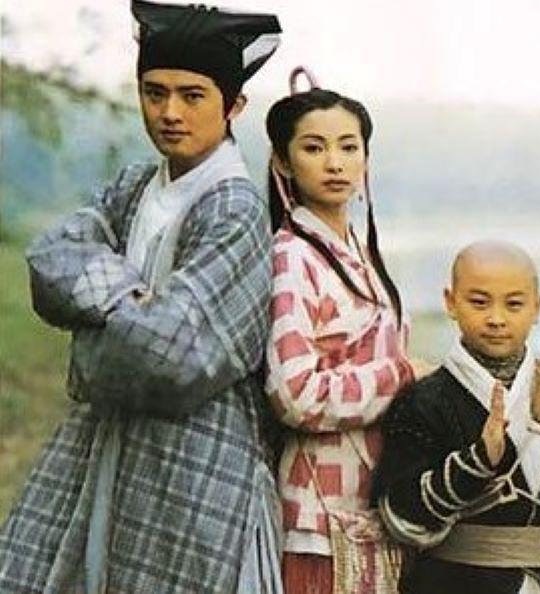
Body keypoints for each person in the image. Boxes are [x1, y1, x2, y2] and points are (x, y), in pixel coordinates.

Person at [0, 1, 283, 592]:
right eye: (155, 93)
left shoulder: (234, 208)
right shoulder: (135, 185)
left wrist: (91, 326)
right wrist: (138, 304)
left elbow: (170, 358)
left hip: (197, 457)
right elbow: (49, 258)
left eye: (192, 95)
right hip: (106, 438)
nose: (170, 112)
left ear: (234, 105)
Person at [372, 240, 540, 594]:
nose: (497, 319)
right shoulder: (424, 399)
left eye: (514, 304)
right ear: (450, 302)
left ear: (537, 307)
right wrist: (476, 463)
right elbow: (400, 518)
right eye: (479, 302)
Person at [264, 68, 414, 594]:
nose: (334, 163)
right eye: (314, 148)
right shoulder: (292, 256)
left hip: (369, 506)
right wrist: (401, 376)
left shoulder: (360, 251)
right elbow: (293, 393)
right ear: (283, 162)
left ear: (366, 158)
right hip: (317, 518)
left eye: (349, 147)